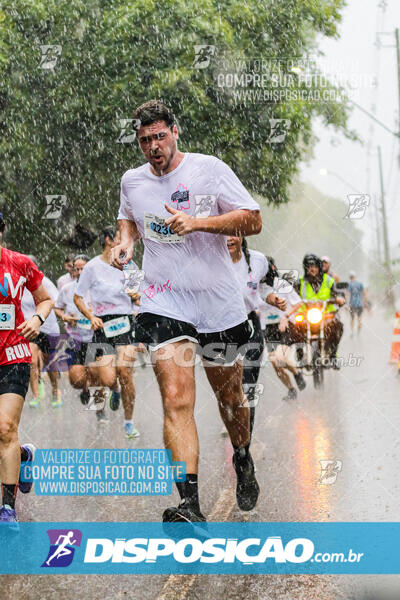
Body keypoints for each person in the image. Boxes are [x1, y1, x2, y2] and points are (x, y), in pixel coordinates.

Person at [111, 99, 262, 523]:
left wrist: (199, 223)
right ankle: (190, 504)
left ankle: (243, 455)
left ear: (175, 132)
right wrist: (126, 243)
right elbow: (129, 220)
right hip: (164, 299)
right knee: (176, 399)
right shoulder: (132, 181)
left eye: (160, 136)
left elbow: (252, 220)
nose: (154, 147)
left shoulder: (208, 169)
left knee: (230, 399)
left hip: (216, 301)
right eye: (145, 141)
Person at [0, 211, 53, 524]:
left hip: (13, 355)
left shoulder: (19, 263)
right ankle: (23, 455)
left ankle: (7, 507)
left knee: (5, 428)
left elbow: (44, 299)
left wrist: (36, 319)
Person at [74, 227, 139, 438]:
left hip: (125, 323)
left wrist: (135, 294)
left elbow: (139, 297)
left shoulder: (130, 265)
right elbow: (78, 297)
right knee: (106, 378)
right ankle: (114, 393)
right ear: (108, 240)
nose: (125, 244)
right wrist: (91, 316)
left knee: (125, 372)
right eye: (121, 239)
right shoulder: (92, 267)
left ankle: (129, 423)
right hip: (102, 325)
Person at [227, 237, 268, 436]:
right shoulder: (209, 261)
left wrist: (271, 297)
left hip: (251, 324)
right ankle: (234, 424)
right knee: (230, 390)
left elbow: (268, 283)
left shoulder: (257, 260)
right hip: (222, 327)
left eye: (233, 233)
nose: (228, 239)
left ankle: (245, 442)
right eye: (223, 234)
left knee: (248, 384)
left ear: (242, 234)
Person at [54, 254, 102, 404]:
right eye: (77, 269)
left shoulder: (99, 287)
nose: (80, 272)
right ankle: (85, 388)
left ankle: (99, 409)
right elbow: (56, 307)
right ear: (73, 271)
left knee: (96, 373)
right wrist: (66, 318)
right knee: (76, 379)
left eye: (83, 269)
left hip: (96, 337)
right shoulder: (67, 289)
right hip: (74, 338)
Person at [260, 258, 306, 401]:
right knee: (275, 363)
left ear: (272, 268)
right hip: (268, 327)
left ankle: (297, 372)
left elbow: (299, 303)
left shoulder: (282, 284)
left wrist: (286, 317)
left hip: (284, 325)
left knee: (280, 358)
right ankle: (291, 388)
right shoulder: (256, 287)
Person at [21, 256, 62, 408]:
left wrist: (62, 315)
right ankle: (36, 395)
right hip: (29, 328)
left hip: (47, 327)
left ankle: (56, 391)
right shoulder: (17, 282)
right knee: (31, 360)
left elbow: (53, 301)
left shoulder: (43, 282)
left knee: (50, 363)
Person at [296, 254, 345, 369]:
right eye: (309, 266)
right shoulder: (300, 282)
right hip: (305, 315)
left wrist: (338, 298)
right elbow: (292, 296)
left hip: (326, 314)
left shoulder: (329, 281)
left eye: (314, 266)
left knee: (338, 326)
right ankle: (300, 356)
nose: (312, 269)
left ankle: (333, 355)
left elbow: (336, 293)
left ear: (319, 267)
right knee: (294, 327)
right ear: (305, 268)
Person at [347, 271, 365, 336]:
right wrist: (363, 302)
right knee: (359, 318)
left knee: (352, 318)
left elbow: (348, 294)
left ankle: (352, 331)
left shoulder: (349, 284)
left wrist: (347, 304)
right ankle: (358, 332)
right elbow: (364, 293)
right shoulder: (360, 284)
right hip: (359, 304)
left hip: (352, 304)